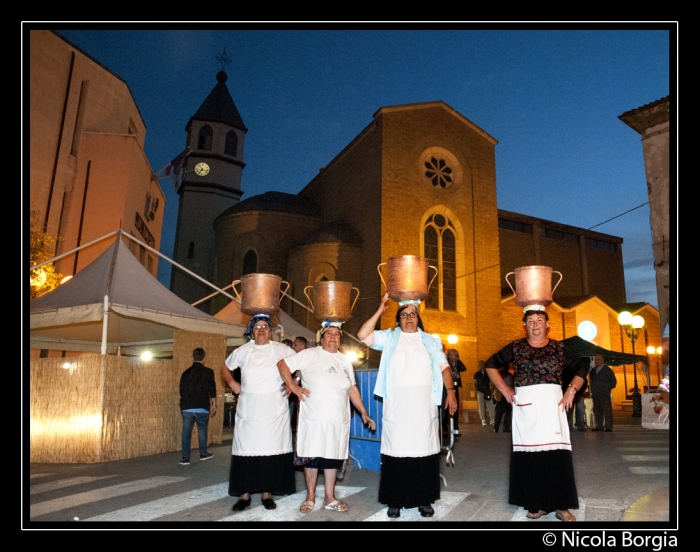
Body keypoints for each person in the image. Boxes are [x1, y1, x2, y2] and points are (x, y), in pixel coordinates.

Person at [357, 293, 457, 519]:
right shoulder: (390, 338)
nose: (409, 318)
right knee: (397, 452)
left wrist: (450, 392)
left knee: (424, 452)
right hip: (397, 406)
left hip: (423, 406)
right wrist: (380, 310)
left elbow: (443, 368)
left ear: (418, 317)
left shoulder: (431, 340)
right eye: (404, 315)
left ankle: (424, 500)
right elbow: (363, 335)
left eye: (413, 314)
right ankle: (395, 501)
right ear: (398, 319)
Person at [485, 304, 587, 522]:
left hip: (553, 405)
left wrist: (571, 390)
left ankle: (561, 506)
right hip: (527, 407)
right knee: (531, 455)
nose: (535, 325)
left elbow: (581, 369)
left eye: (539, 320)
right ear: (525, 326)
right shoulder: (516, 347)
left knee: (556, 455)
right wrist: (504, 389)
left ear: (547, 325)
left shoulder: (559, 348)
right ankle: (536, 504)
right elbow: (490, 364)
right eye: (530, 321)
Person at [277, 322, 376, 513]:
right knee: (312, 457)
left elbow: (352, 388)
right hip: (313, 419)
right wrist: (294, 386)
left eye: (337, 334)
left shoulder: (345, 360)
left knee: (333, 457)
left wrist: (364, 412)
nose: (333, 337)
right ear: (321, 338)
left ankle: (329, 497)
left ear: (340, 340)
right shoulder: (310, 354)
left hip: (338, 421)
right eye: (328, 334)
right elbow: (282, 364)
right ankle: (310, 496)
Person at [221, 314, 296, 512]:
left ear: (270, 330)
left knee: (270, 451)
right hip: (249, 410)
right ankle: (244, 495)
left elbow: (300, 365)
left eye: (265, 326)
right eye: (257, 327)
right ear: (251, 331)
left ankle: (267, 494)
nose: (261, 329)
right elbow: (225, 368)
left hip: (274, 411)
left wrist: (293, 384)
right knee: (246, 450)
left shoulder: (282, 350)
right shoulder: (242, 351)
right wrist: (231, 382)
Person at [179, 347, 216, 465]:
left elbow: (181, 390)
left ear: (193, 357)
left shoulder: (185, 373)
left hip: (187, 406)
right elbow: (212, 389)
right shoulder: (208, 372)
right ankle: (203, 454)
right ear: (204, 358)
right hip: (202, 406)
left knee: (186, 432)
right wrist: (213, 404)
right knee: (202, 430)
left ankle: (185, 458)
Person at [589, 354, 617, 432]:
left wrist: (606, 388)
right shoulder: (593, 371)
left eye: (598, 359)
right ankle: (599, 426)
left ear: (602, 360)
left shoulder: (607, 370)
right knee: (597, 410)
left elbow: (613, 382)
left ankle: (608, 427)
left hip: (604, 394)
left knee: (607, 410)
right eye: (595, 359)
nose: (596, 361)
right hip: (595, 393)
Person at [442, 349, 466, 436]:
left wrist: (457, 360)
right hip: (446, 387)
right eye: (450, 354)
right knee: (445, 408)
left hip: (455, 386)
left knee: (455, 407)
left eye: (453, 354)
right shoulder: (445, 362)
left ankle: (455, 429)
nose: (451, 356)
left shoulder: (457, 363)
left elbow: (464, 368)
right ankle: (445, 429)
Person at [474, 360, 495, 426]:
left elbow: (492, 381)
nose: (481, 366)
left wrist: (491, 390)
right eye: (480, 364)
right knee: (481, 406)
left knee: (490, 405)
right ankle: (483, 420)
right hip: (480, 391)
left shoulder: (488, 373)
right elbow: (474, 383)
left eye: (482, 364)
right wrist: (477, 391)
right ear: (478, 366)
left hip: (487, 391)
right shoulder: (476, 374)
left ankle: (492, 419)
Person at [492, 365, 513, 433]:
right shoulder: (498, 374)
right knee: (499, 413)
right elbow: (492, 384)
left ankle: (506, 428)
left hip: (508, 395)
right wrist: (493, 393)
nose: (506, 368)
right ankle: (496, 427)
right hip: (500, 396)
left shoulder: (510, 375)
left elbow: (511, 384)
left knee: (508, 413)